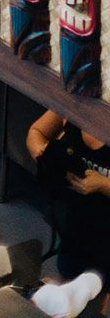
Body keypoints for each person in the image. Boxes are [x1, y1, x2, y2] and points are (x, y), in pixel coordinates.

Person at [28, 110, 110, 317]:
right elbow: (36, 132)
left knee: (96, 286)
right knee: (70, 274)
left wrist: (104, 185)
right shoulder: (76, 103)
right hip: (77, 217)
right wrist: (46, 155)